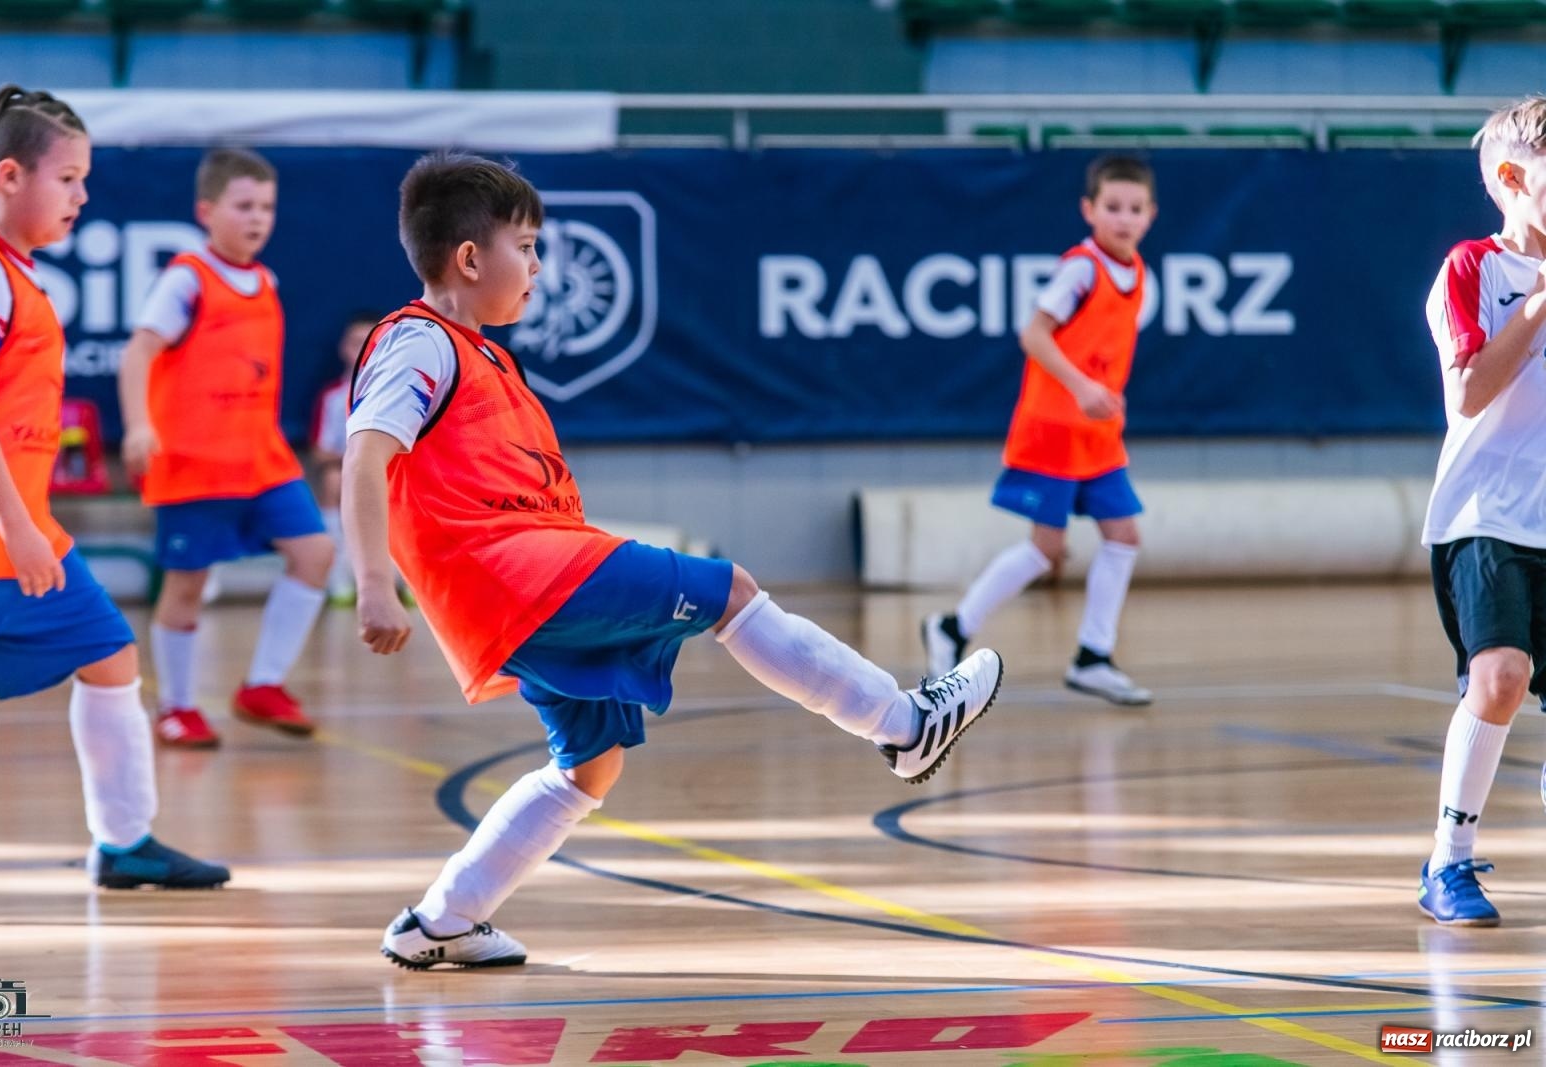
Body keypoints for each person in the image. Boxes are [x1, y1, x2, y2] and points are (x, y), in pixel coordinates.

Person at [342, 153, 1004, 969]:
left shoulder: (483, 357)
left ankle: (441, 920)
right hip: (521, 576)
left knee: (590, 768)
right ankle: (903, 726)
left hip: (523, 582)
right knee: (732, 591)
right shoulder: (418, 342)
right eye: (528, 246)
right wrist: (374, 582)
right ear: (470, 258)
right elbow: (365, 456)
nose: (540, 266)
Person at [0, 85, 228, 889]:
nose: (82, 195)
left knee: (109, 654)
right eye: (68, 178)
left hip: (20, 542)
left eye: (85, 178)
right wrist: (16, 527)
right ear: (10, 176)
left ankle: (125, 840)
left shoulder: (14, 276)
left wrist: (28, 530)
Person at [922, 155, 1157, 707]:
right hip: (1054, 427)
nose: (1124, 219)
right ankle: (952, 628)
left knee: (1123, 536)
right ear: (1089, 210)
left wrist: (1099, 395)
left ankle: (1093, 657)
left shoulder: (1139, 272)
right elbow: (1033, 334)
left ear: (1151, 214)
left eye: (1135, 209)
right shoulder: (1082, 268)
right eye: (1113, 207)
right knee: (1045, 548)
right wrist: (1080, 387)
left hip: (1098, 435)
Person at [118, 148, 334, 749]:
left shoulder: (267, 280)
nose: (257, 217)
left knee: (315, 553)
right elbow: (138, 352)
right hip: (194, 463)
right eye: (244, 206)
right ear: (206, 210)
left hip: (261, 458)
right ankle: (177, 708)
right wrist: (139, 427)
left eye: (266, 206)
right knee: (185, 589)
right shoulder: (187, 277)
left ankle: (263, 685)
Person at [1417, 95, 1546, 927]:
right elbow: (1468, 389)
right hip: (1484, 511)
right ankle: (1447, 860)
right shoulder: (1475, 268)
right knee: (1500, 676)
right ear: (1512, 179)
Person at [311, 311, 380, 605]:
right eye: (356, 343)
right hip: (349, 470)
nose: (363, 350)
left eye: (371, 342)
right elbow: (320, 450)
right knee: (333, 480)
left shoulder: (398, 389)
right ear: (343, 348)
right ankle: (339, 576)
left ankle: (404, 580)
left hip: (390, 471)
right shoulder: (332, 397)